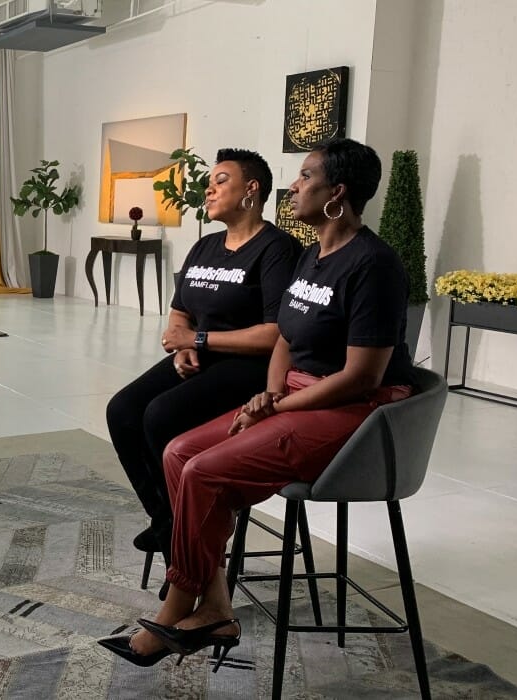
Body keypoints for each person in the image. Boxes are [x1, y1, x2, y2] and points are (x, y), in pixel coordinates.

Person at [101, 137, 415, 667]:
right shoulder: (315, 254)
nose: (293, 187)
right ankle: (217, 606)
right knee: (178, 453)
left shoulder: (373, 265)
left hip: (352, 410)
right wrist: (270, 393)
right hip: (295, 391)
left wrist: (277, 406)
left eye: (306, 177)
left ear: (336, 193)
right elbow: (288, 339)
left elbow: (362, 377)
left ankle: (177, 608)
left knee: (200, 471)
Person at [106, 149, 302, 566]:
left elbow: (274, 333)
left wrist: (198, 339)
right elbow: (181, 310)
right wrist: (183, 345)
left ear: (252, 189)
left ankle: (194, 535)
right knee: (122, 410)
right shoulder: (205, 246)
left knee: (160, 416)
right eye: (210, 181)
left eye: (221, 180)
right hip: (200, 355)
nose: (208, 189)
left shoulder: (276, 249)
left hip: (248, 366)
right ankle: (168, 519)